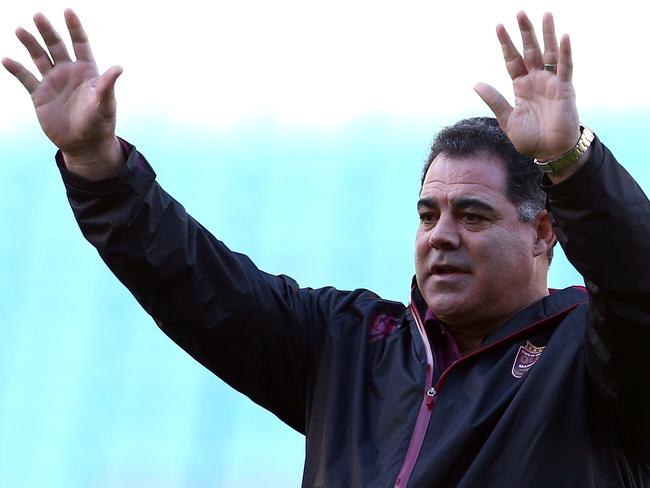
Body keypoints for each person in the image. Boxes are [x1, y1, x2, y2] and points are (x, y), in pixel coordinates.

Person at [4, 9, 649, 487]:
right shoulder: (348, 346)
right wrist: (97, 165)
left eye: (473, 216)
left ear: (543, 233)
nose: (440, 235)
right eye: (428, 214)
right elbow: (194, 281)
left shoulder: (590, 355)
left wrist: (571, 164)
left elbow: (637, 285)